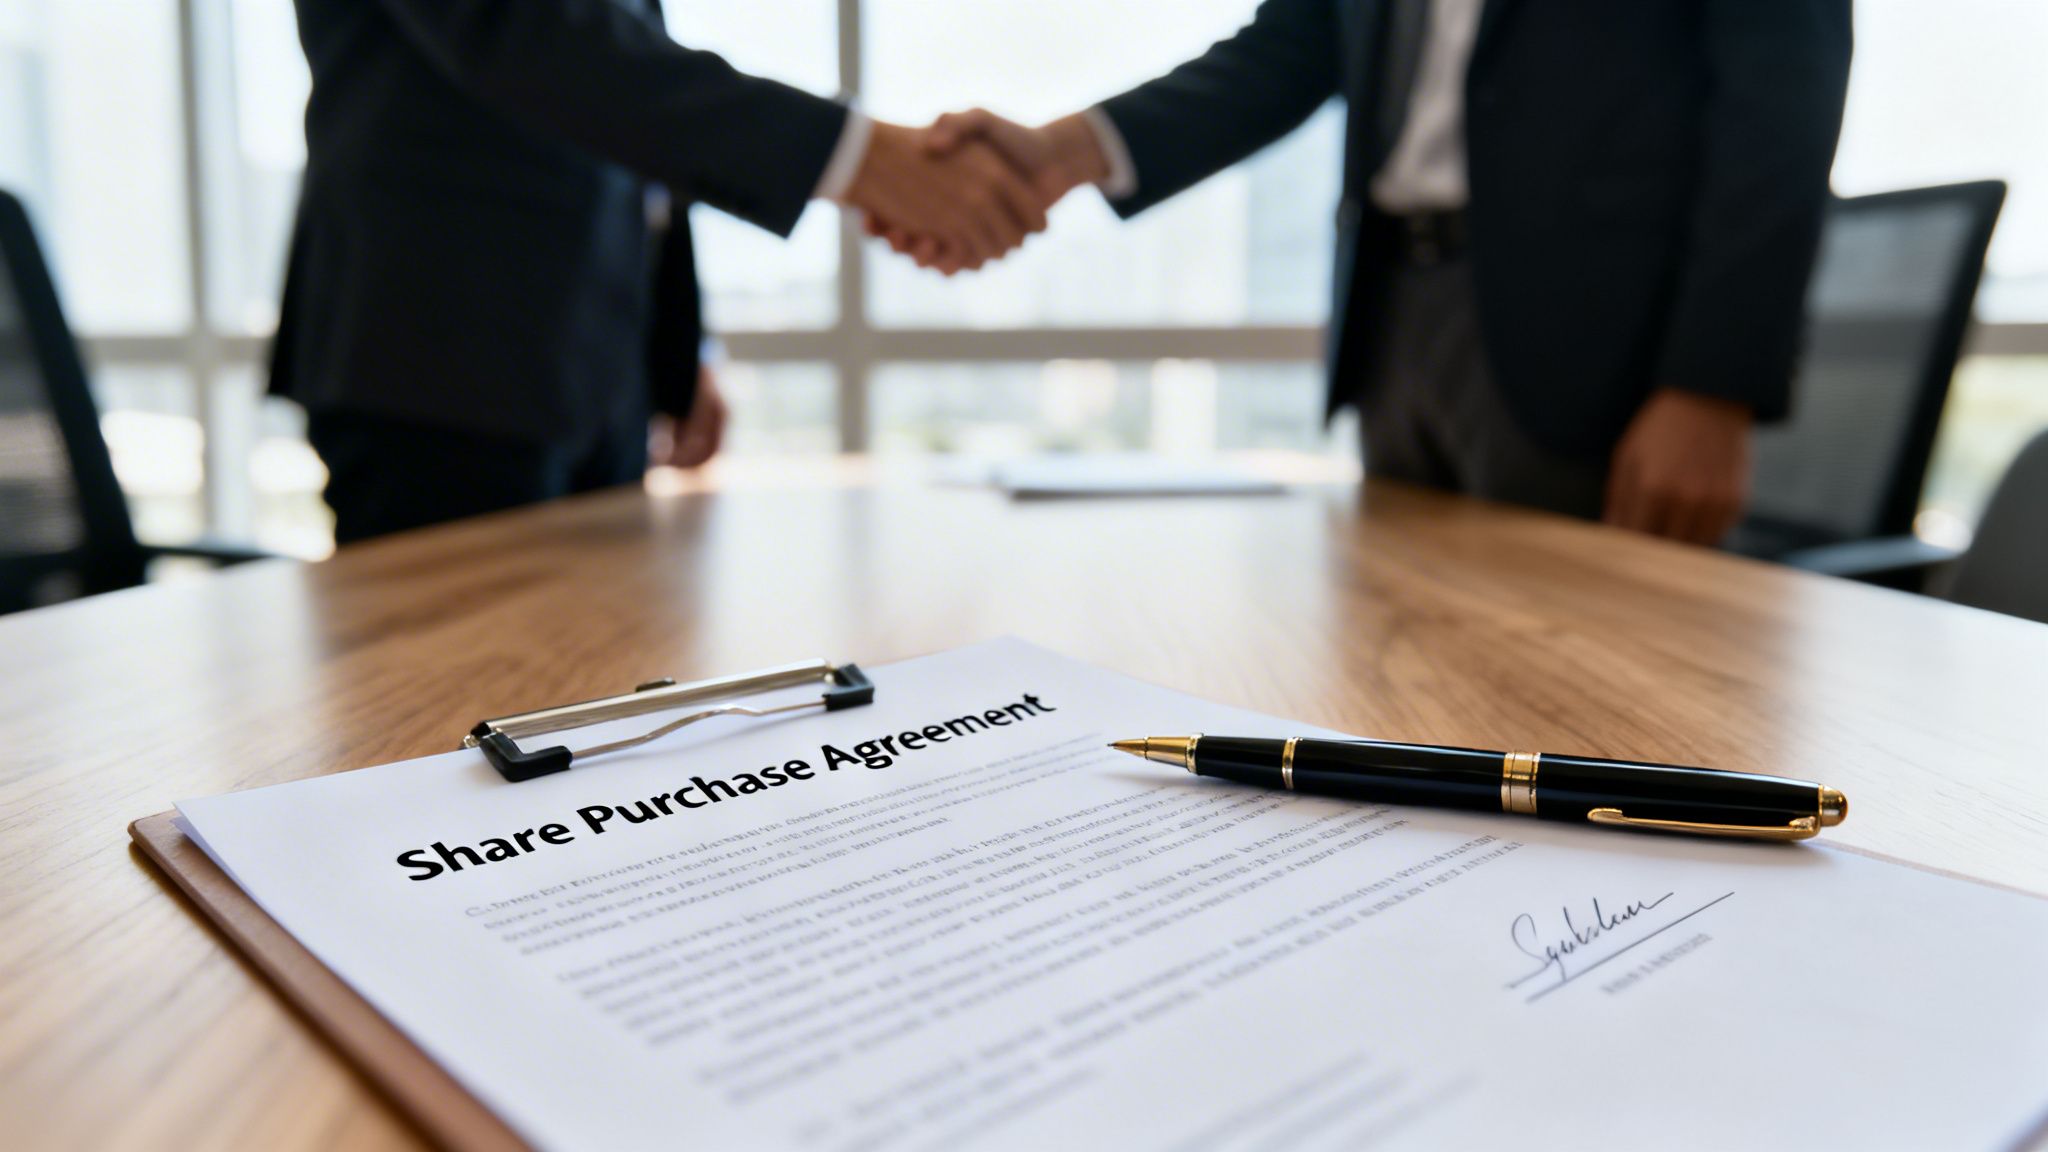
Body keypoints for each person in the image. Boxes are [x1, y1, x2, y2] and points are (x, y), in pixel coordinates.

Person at [890, 0, 1853, 545]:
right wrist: (1065, 151)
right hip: (1395, 311)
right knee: (1414, 670)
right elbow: (1294, 47)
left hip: (1601, 337)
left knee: (1590, 698)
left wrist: (1713, 383)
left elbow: (1784, 102)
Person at [273, 0, 1046, 543]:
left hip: (598, 370)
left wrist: (679, 349)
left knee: (600, 707)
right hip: (433, 357)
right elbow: (530, 32)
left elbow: (625, 112)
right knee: (438, 734)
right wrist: (852, 154)